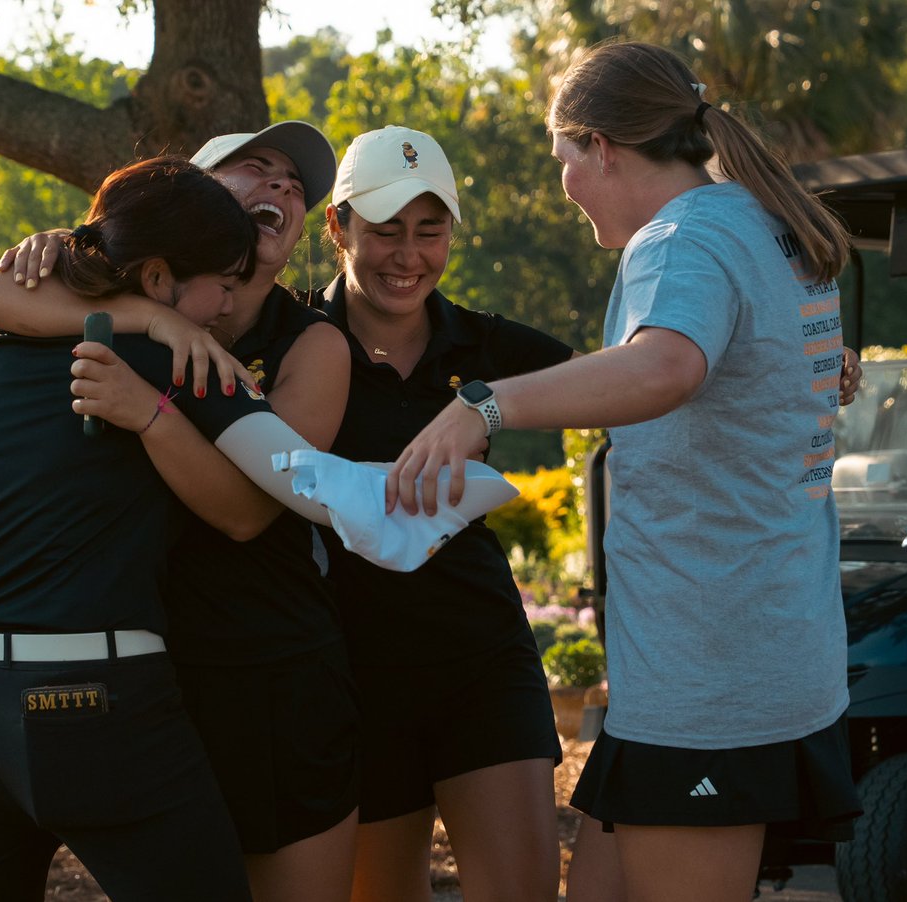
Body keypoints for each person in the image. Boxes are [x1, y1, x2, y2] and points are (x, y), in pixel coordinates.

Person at [386, 42, 863, 902]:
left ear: (601, 147)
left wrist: (481, 406)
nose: (565, 185)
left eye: (563, 160)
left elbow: (665, 367)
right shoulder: (758, 224)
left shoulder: (675, 241)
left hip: (710, 675)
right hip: (745, 655)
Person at [0, 122, 362, 902]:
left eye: (296, 184)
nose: (284, 187)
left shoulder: (306, 343)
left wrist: (150, 402)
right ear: (192, 202)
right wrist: (149, 320)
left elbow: (261, 508)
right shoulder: (104, 313)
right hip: (132, 675)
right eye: (258, 169)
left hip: (260, 674)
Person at [312, 125, 573, 902]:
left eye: (431, 232)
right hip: (348, 672)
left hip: (479, 660)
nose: (408, 256)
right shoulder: (290, 340)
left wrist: (779, 365)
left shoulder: (486, 344)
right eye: (385, 231)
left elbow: (638, 374)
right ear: (338, 226)